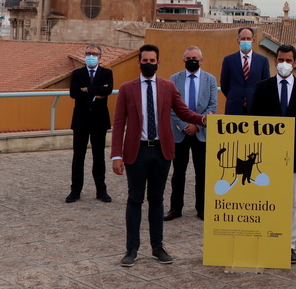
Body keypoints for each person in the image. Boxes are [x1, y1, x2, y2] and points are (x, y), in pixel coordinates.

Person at [111, 44, 207, 268]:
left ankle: (157, 247)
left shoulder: (168, 86)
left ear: (158, 63)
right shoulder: (127, 88)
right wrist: (116, 155)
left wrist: (202, 120)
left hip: (162, 151)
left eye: (152, 61)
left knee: (156, 200)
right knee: (135, 199)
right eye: (144, 61)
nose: (148, 64)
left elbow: (183, 111)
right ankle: (131, 249)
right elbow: (118, 124)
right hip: (137, 150)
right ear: (139, 62)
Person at [250, 44, 296, 265]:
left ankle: (289, 244)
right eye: (281, 60)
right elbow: (254, 124)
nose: (284, 64)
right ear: (275, 61)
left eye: (289, 61)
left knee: (292, 203)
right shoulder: (262, 88)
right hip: (266, 158)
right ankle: (264, 239)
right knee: (264, 200)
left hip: (295, 157)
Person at [164, 46, 218, 222]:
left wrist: (197, 124)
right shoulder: (174, 79)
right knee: (178, 172)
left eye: (194, 57)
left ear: (201, 60)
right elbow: (171, 107)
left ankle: (202, 208)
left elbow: (212, 106)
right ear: (183, 60)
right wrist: (184, 125)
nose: (191, 60)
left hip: (201, 133)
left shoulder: (210, 79)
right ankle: (175, 209)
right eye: (188, 58)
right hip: (180, 133)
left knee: (202, 172)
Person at [67, 43, 114, 203]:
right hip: (81, 119)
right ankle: (75, 191)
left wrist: (86, 89)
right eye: (88, 53)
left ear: (100, 57)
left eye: (94, 54)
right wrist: (96, 90)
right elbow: (73, 93)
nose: (91, 56)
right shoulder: (77, 73)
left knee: (99, 156)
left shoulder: (107, 73)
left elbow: (108, 90)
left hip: (99, 120)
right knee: (78, 156)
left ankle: (101, 190)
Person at [220, 27, 270, 115]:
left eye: (248, 38)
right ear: (238, 40)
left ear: (253, 40)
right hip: (234, 107)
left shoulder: (262, 61)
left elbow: (265, 84)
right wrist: (234, 96)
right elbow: (224, 83)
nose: (245, 41)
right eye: (243, 39)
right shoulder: (229, 60)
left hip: (255, 107)